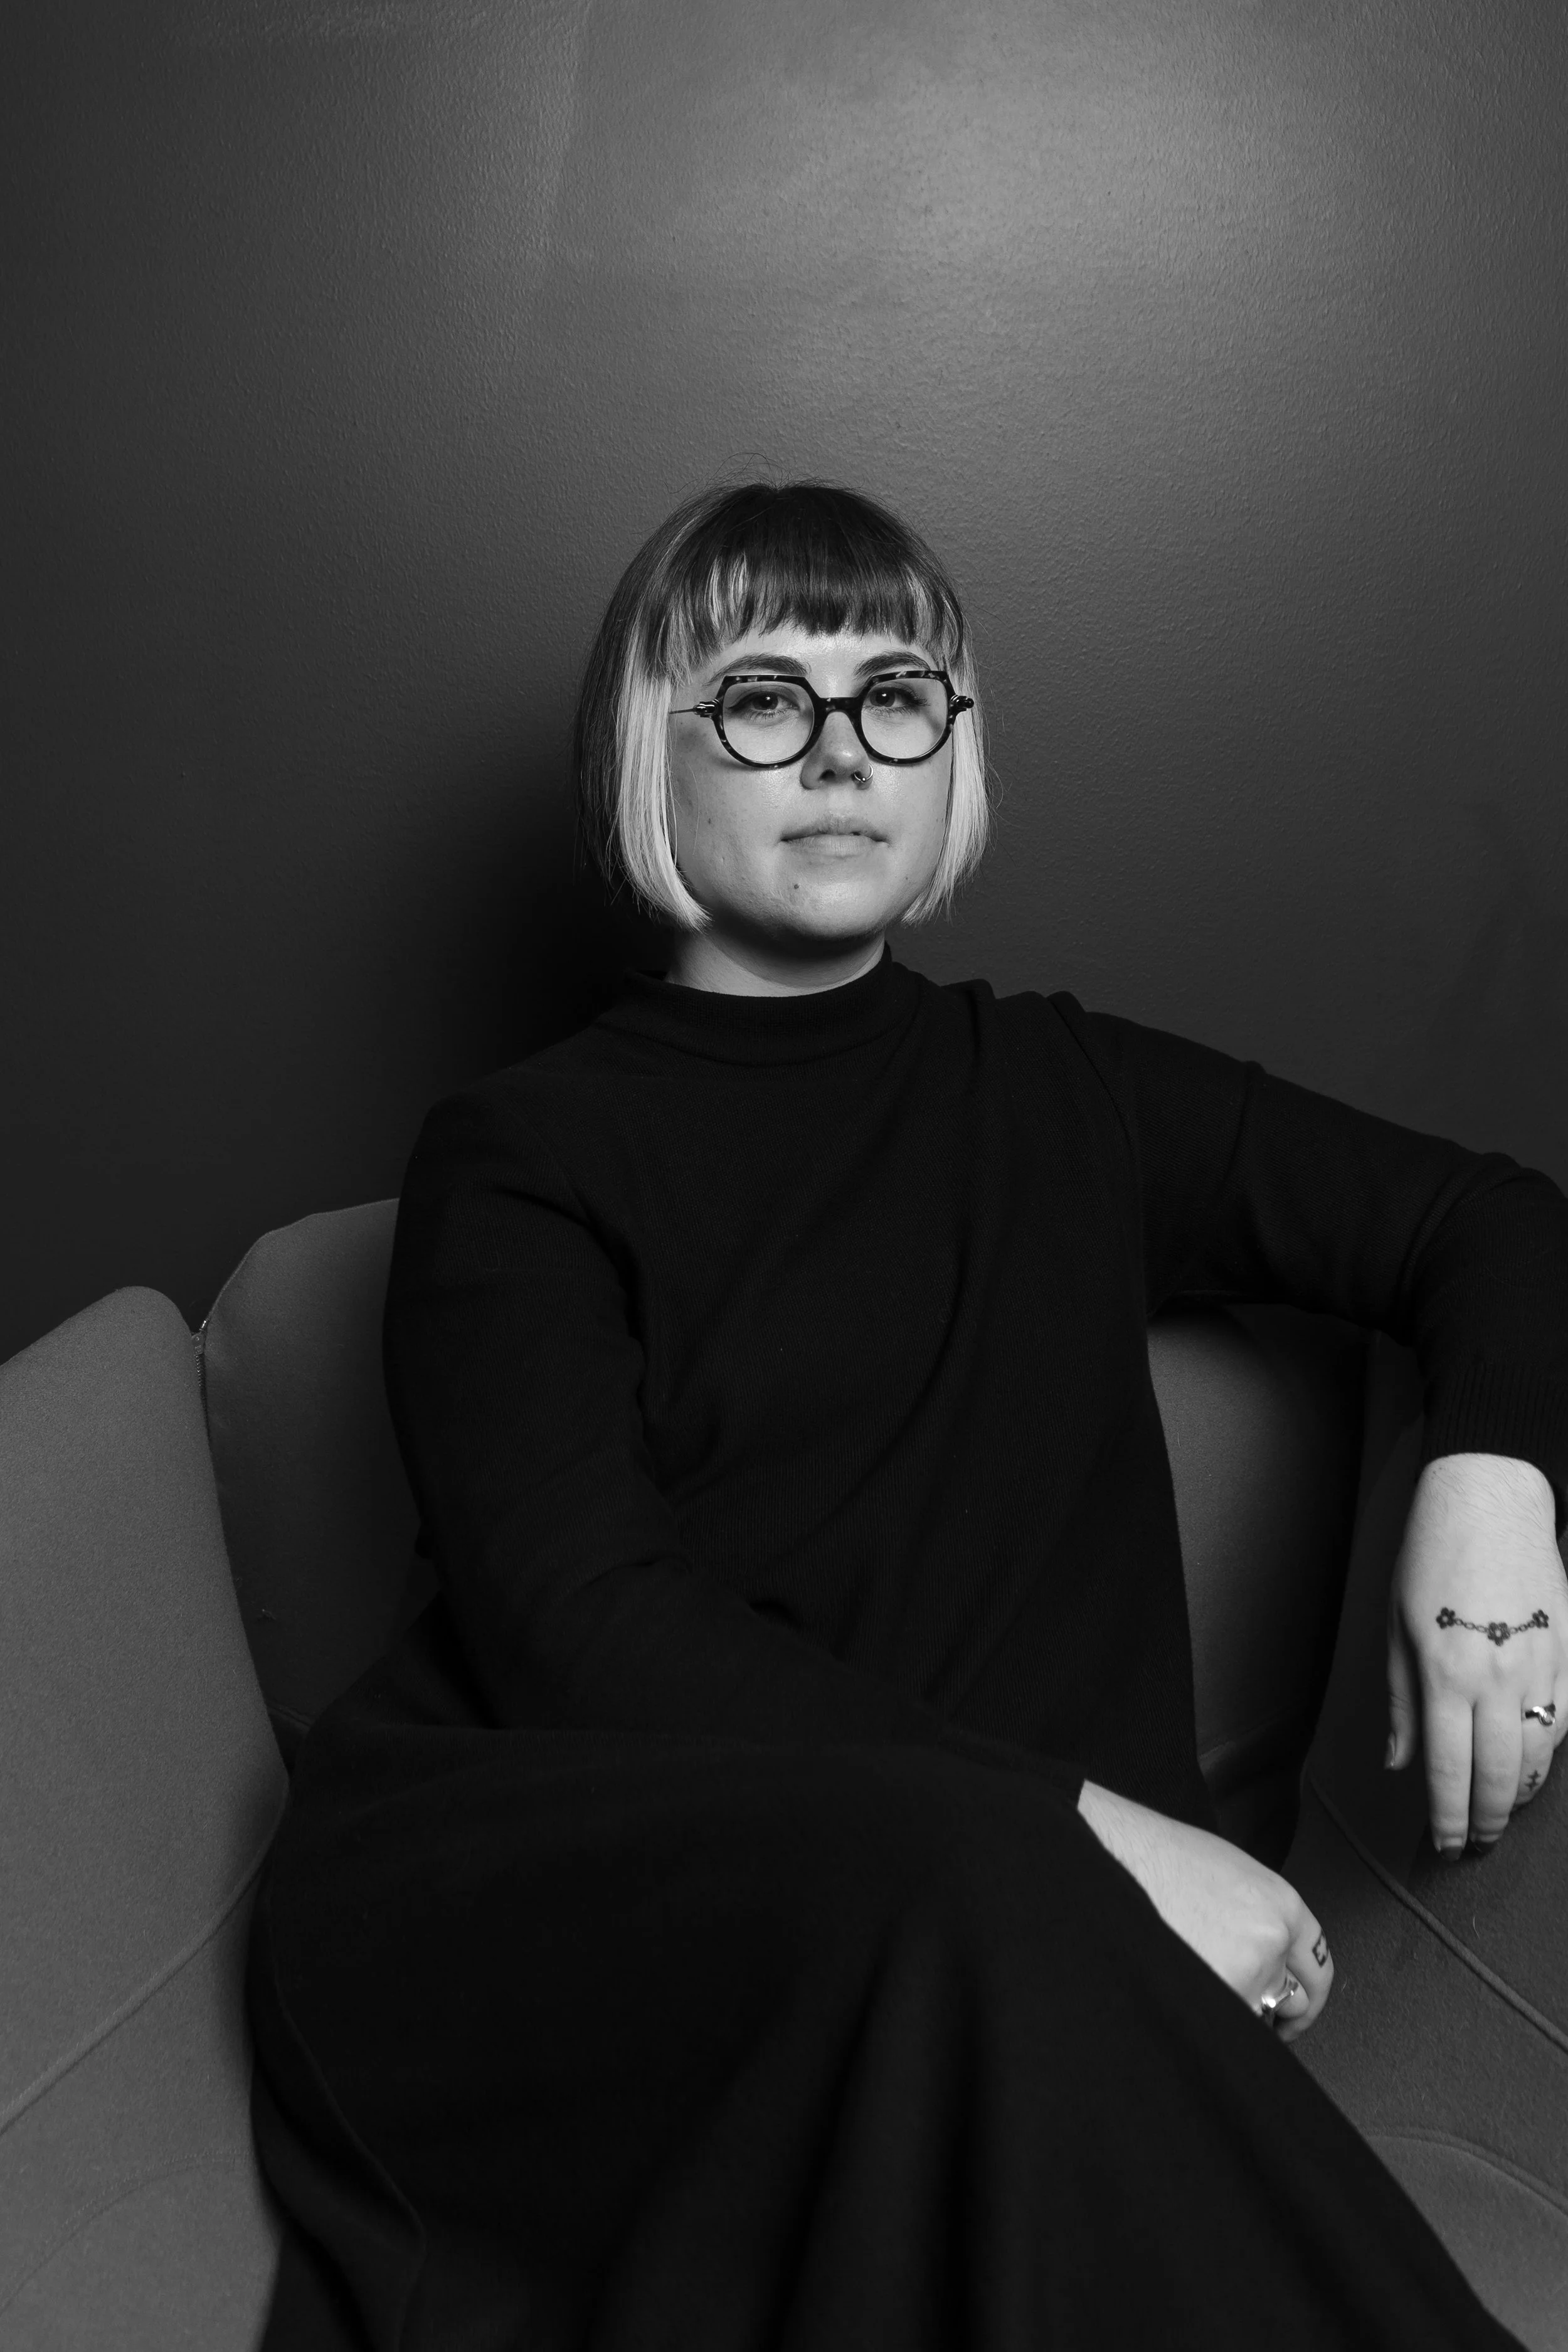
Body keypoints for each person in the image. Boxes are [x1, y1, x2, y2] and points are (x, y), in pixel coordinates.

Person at [248, 480, 1568, 2349]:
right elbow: (585, 1628)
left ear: (955, 755)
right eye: (762, 697)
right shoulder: (524, 1156)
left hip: (983, 1933)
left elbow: (1489, 1223)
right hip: (594, 1878)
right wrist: (1085, 1838)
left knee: (1020, 2021)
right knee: (982, 1920)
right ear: (647, 757)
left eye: (894, 693)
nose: (840, 751)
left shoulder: (1066, 1095)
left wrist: (1490, 1487)